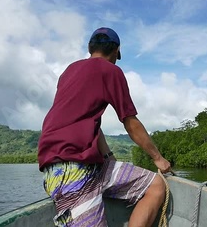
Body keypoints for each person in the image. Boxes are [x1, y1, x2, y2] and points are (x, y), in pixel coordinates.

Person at [37, 27, 171, 227]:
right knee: (158, 182)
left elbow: (89, 121)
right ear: (116, 51)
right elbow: (130, 122)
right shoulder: (111, 70)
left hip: (93, 167)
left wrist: (107, 156)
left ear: (91, 47)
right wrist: (158, 158)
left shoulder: (69, 71)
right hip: (71, 170)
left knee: (156, 185)